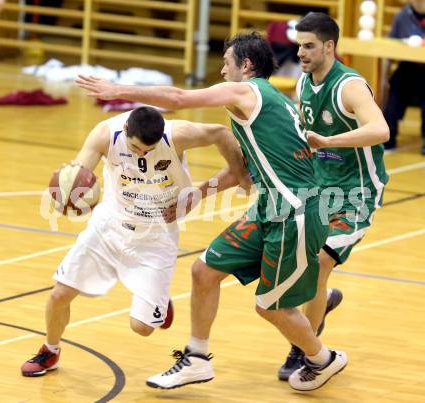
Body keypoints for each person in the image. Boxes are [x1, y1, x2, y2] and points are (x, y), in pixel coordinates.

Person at [76, 31, 348, 392]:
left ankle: (323, 359)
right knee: (204, 271)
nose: (222, 72)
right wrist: (201, 192)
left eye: (226, 63)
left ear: (246, 66)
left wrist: (117, 89)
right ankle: (197, 359)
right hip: (269, 207)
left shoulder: (248, 91)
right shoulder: (269, 103)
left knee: (270, 308)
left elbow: (178, 97)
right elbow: (247, 173)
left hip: (295, 213)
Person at [20, 106, 248, 377]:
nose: (143, 154)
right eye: (137, 148)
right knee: (60, 294)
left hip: (157, 235)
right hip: (109, 226)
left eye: (149, 151)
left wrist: (222, 181)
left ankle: (158, 302)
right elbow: (79, 171)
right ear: (126, 130)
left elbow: (221, 132)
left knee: (141, 328)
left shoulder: (179, 134)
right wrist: (67, 192)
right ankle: (50, 350)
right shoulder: (105, 134)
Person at [276, 12, 389, 380]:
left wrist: (330, 141)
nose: (302, 53)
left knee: (320, 262)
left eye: (309, 46)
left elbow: (381, 129)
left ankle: (304, 350)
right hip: (320, 186)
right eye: (299, 46)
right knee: (304, 264)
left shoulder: (350, 86)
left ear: (329, 46)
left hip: (358, 191)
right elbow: (304, 136)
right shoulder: (303, 84)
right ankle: (320, 306)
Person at [383, 0, 425, 154]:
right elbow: (392, 43)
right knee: (396, 86)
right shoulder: (401, 16)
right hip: (408, 67)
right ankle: (389, 136)